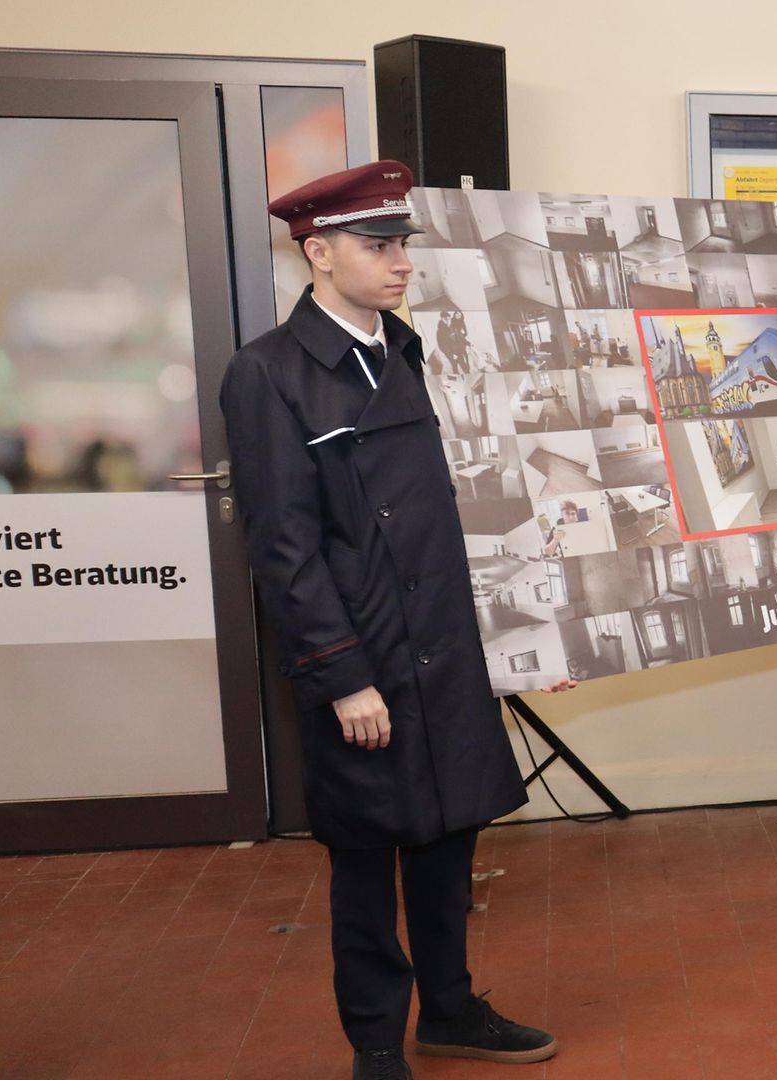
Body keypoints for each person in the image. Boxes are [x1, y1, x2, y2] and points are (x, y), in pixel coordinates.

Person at [219, 161, 572, 1080]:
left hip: (442, 646)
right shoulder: (267, 373)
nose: (400, 264)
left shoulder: (400, 350)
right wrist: (342, 675)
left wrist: (515, 633)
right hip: (363, 657)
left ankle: (451, 1008)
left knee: (451, 834)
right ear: (319, 252)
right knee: (369, 860)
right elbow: (284, 549)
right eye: (377, 247)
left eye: (401, 246)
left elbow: (436, 519)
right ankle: (377, 1041)